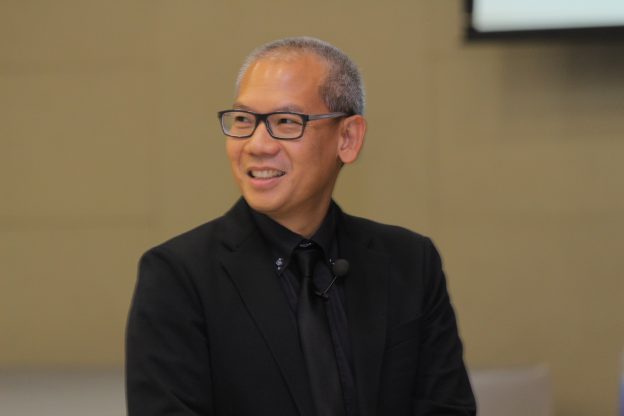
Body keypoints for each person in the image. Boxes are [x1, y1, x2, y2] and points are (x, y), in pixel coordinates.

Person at [126, 36, 476, 416]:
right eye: (243, 120)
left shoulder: (410, 262)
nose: (257, 145)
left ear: (348, 138)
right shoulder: (178, 276)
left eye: (286, 122)